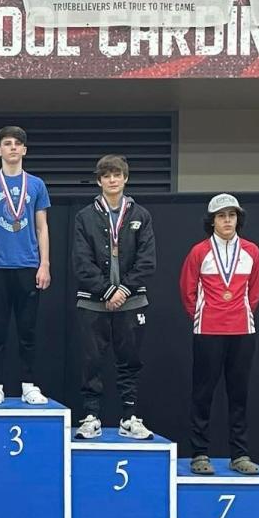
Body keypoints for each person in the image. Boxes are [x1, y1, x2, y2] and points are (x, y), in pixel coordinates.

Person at [73, 155, 156, 440]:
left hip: (131, 301)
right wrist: (107, 290)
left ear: (125, 179)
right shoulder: (84, 216)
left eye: (117, 174)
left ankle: (129, 417)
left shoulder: (140, 215)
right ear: (99, 181)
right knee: (91, 361)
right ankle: (91, 416)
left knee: (129, 362)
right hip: (92, 302)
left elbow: (147, 261)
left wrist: (123, 290)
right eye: (106, 175)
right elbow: (81, 262)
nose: (112, 180)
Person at [180, 193, 259, 475]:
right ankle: (199, 453)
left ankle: (239, 454)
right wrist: (205, 316)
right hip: (208, 330)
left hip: (242, 331)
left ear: (238, 219)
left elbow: (255, 291)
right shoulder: (199, 252)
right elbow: (187, 291)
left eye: (232, 216)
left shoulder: (252, 251)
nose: (227, 221)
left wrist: (241, 314)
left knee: (238, 395)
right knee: (203, 394)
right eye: (221, 216)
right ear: (212, 221)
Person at [0, 125, 51, 405]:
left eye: (18, 143)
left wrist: (45, 264)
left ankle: (29, 384)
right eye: (7, 143)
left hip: (28, 265)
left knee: (28, 330)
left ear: (25, 150)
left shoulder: (37, 185)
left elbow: (42, 227)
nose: (13, 148)